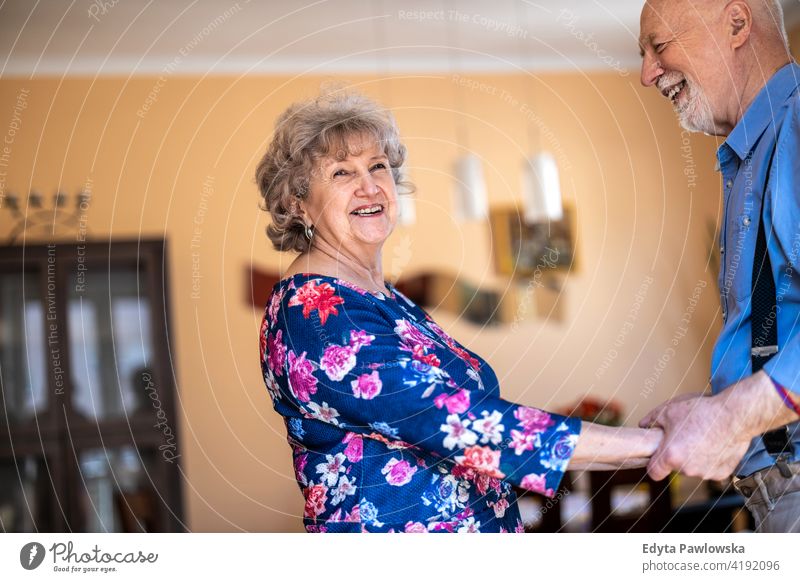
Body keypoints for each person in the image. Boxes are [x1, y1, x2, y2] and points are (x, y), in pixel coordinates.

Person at [255, 89, 661, 533]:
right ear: (297, 203)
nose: (369, 185)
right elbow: (454, 422)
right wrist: (652, 446)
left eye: (378, 166)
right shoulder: (314, 312)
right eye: (340, 173)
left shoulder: (383, 299)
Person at [638, 0, 800, 531]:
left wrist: (731, 418)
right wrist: (716, 409)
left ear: (736, 24)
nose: (646, 75)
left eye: (658, 47)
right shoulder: (749, 156)